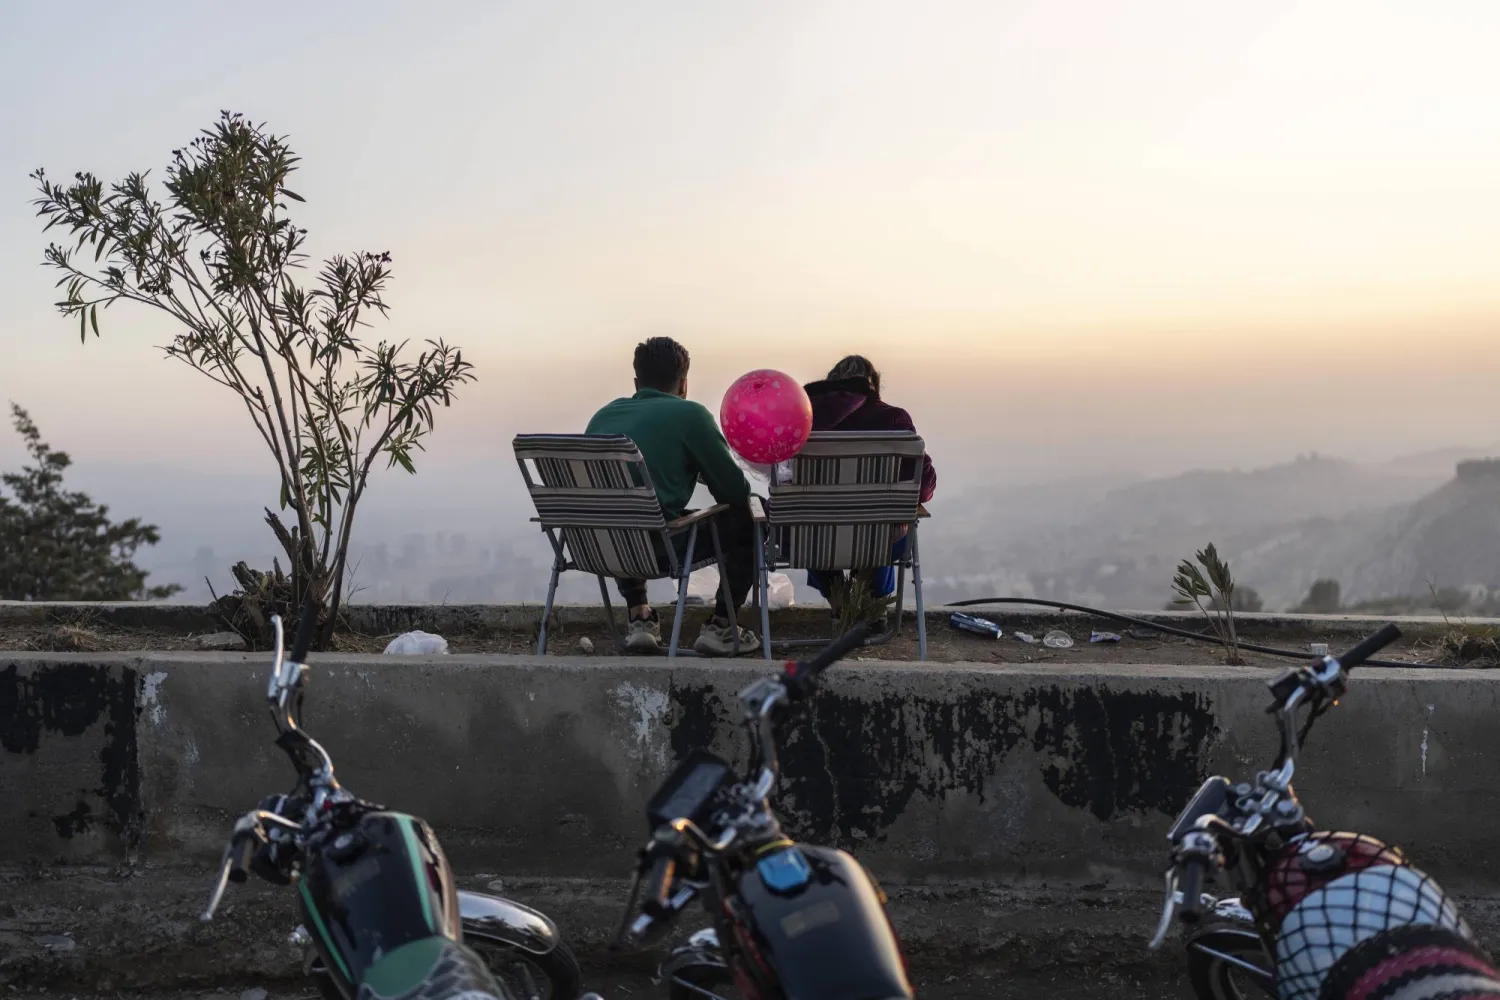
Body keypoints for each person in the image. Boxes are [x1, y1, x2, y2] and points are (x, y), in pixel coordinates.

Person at [585, 337, 759, 656]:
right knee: (749, 519)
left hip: (601, 547)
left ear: (637, 381)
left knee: (632, 514)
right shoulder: (690, 415)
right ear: (684, 383)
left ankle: (640, 617)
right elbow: (735, 492)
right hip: (659, 550)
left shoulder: (603, 417)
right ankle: (722, 627)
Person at [800, 355, 937, 607]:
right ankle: (874, 605)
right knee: (885, 522)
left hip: (811, 543)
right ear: (873, 385)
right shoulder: (893, 419)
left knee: (809, 523)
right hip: (878, 542)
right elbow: (924, 488)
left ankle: (838, 599)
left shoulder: (801, 423)